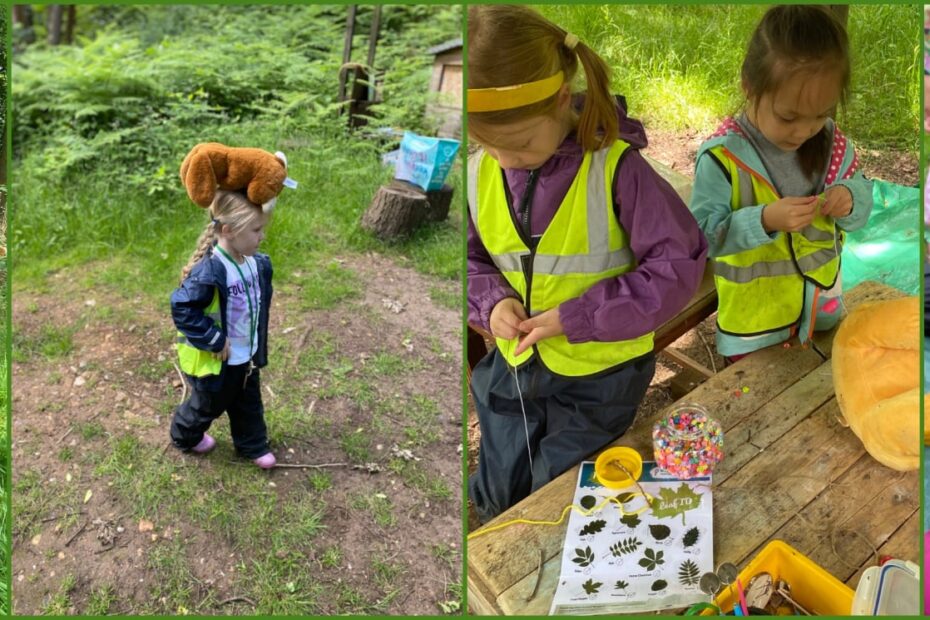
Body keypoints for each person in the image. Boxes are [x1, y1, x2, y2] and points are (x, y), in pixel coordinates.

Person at [466, 4, 708, 523]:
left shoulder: (617, 169)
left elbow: (677, 265)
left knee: (558, 492)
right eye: (487, 145)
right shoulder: (478, 173)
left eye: (521, 143)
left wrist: (579, 317)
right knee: (500, 478)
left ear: (559, 99)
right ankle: (495, 527)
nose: (504, 160)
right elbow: (468, 260)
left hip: (601, 375)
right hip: (515, 362)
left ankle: (544, 546)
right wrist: (492, 301)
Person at [691, 5, 873, 361]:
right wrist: (764, 220)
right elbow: (702, 237)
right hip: (753, 331)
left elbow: (864, 198)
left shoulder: (833, 147)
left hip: (822, 315)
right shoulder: (722, 160)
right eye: (788, 116)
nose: (804, 131)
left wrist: (850, 198)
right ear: (750, 85)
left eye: (820, 115)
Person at [170, 189, 276, 469]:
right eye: (256, 230)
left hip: (247, 356)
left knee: (249, 402)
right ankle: (185, 434)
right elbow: (182, 306)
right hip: (220, 360)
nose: (261, 236)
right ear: (228, 230)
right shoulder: (211, 271)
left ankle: (252, 445)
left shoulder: (257, 264)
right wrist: (214, 339)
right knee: (208, 406)